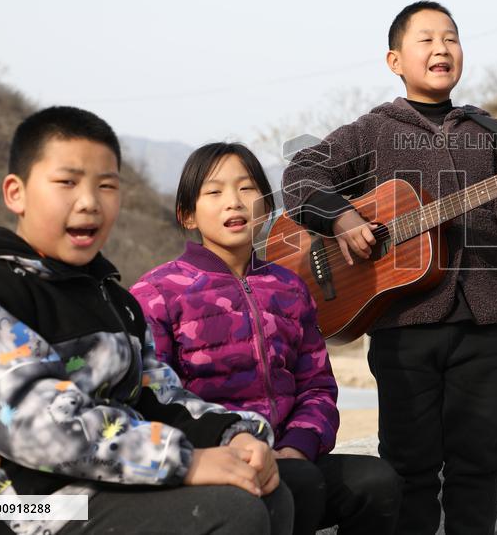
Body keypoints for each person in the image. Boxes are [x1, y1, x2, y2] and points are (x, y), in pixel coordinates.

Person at [0, 107, 292, 535]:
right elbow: (34, 421)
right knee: (230, 510)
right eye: (67, 182)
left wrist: (233, 437)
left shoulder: (115, 299)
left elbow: (159, 396)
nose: (89, 202)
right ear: (16, 193)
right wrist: (184, 461)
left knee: (276, 489)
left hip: (92, 485)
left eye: (106, 185)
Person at [280, 0, 497, 535]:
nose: (441, 48)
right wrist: (341, 219)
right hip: (401, 323)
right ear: (395, 60)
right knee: (409, 465)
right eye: (426, 39)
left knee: (480, 461)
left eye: (451, 38)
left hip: (485, 319)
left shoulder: (492, 132)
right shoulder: (372, 132)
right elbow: (301, 174)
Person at [131, 142, 401, 535]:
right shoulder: (158, 292)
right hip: (210, 459)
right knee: (299, 485)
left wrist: (295, 447)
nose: (233, 203)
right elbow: (154, 400)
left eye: (246, 188)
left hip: (289, 455)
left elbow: (317, 386)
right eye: (215, 191)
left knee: (377, 484)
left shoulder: (288, 287)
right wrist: (234, 447)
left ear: (267, 206)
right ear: (187, 215)